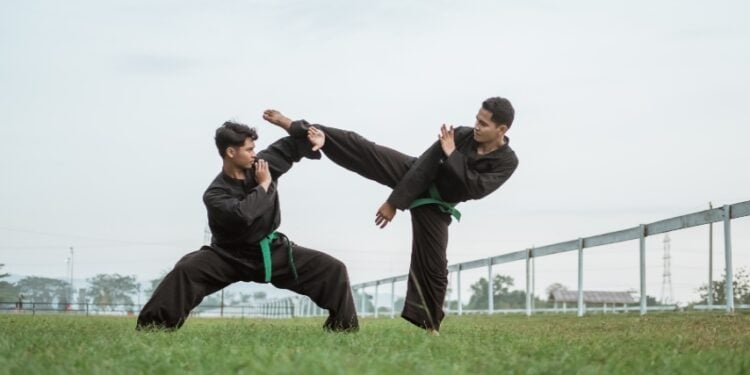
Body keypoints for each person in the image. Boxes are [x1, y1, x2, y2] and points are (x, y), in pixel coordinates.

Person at [264, 97, 518, 334]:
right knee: (364, 148)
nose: (476, 126)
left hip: (437, 205)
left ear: (501, 129)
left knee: (434, 266)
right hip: (415, 174)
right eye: (476, 119)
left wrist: (452, 154)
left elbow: (474, 188)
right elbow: (427, 163)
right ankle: (303, 130)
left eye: (483, 124)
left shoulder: (506, 161)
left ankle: (431, 328)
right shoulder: (461, 134)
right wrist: (394, 202)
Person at [136, 119, 359, 331]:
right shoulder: (215, 193)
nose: (254, 153)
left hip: (271, 251)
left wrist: (302, 130)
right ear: (231, 152)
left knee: (333, 269)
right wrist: (264, 186)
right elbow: (244, 214)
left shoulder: (262, 165)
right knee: (185, 270)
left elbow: (292, 144)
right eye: (248, 149)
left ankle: (343, 329)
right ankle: (153, 329)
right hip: (228, 255)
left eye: (254, 148)